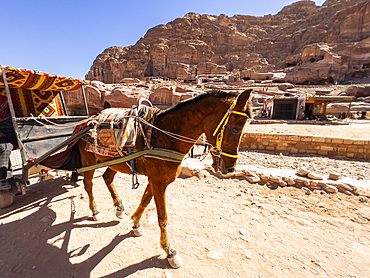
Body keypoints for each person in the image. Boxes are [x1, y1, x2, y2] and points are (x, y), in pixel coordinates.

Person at [0, 94, 18, 190]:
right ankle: (7, 176)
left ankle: (2, 178)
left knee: (4, 148)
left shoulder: (11, 115)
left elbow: (17, 130)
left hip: (9, 139)